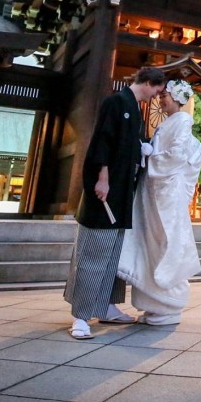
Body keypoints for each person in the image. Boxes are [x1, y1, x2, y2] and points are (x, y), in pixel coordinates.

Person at [64, 66, 166, 339]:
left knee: (113, 253)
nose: (157, 95)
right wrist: (102, 178)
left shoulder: (134, 108)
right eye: (157, 89)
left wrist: (143, 147)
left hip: (122, 191)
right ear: (147, 82)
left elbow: (128, 144)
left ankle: (107, 306)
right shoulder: (115, 102)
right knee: (94, 252)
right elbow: (103, 143)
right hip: (106, 190)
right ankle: (82, 316)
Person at [118, 78, 201, 325]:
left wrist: (151, 154)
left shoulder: (183, 121)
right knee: (151, 245)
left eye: (165, 95)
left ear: (177, 97)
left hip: (166, 193)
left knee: (165, 242)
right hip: (155, 189)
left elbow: (177, 155)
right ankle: (154, 304)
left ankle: (169, 303)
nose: (160, 98)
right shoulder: (170, 122)